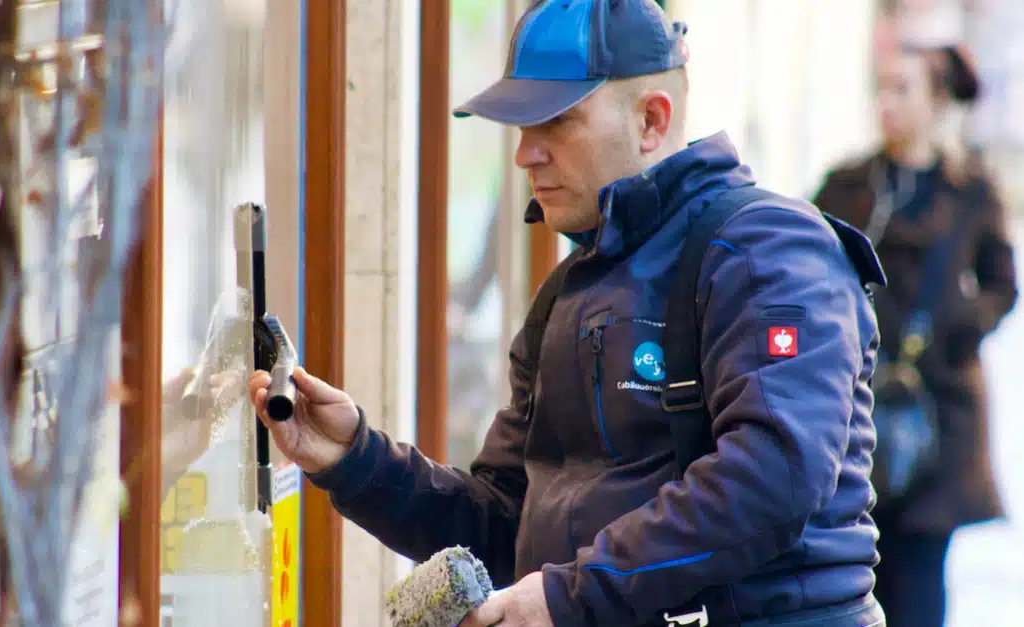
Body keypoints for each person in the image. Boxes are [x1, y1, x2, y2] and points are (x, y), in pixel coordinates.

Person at [249, 1, 888, 625]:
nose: (527, 153)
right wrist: (354, 458)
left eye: (556, 122)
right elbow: (505, 525)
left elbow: (775, 477)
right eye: (521, 129)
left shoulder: (767, 249)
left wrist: (569, 597)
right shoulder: (567, 291)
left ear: (651, 121)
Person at [813, 38, 1017, 627]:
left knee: (922, 580)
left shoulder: (971, 192)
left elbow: (1002, 285)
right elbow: (801, 266)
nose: (887, 104)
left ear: (936, 102)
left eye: (903, 90)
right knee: (855, 575)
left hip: (938, 416)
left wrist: (960, 332)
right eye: (882, 89)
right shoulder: (850, 185)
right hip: (857, 409)